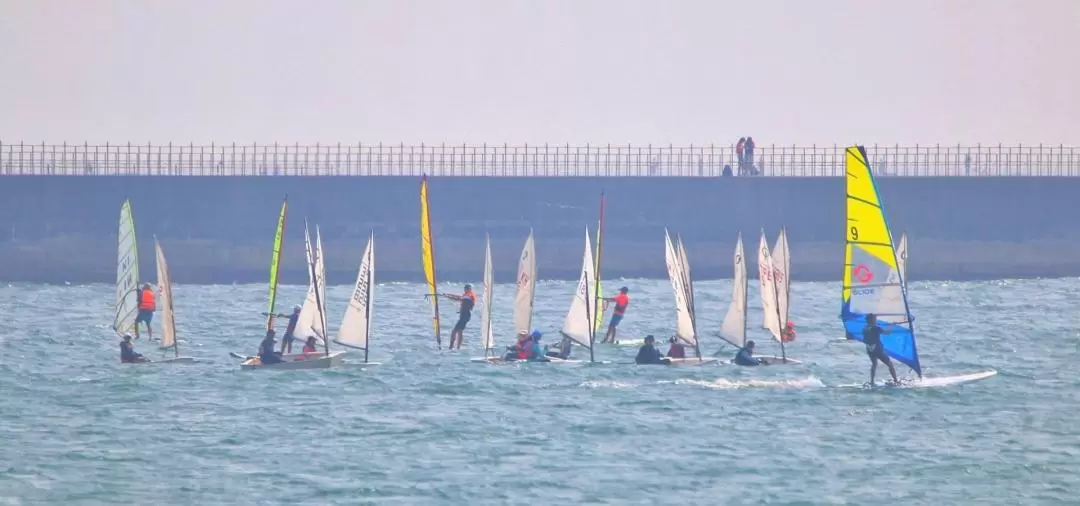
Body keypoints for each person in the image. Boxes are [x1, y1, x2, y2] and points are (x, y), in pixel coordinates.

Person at [863, 313, 900, 386]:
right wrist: (893, 325)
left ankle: (872, 381)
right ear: (872, 320)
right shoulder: (875, 328)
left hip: (869, 349)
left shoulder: (865, 329)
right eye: (874, 319)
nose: (875, 320)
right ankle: (896, 380)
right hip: (877, 350)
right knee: (890, 364)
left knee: (874, 364)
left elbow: (865, 340)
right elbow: (887, 332)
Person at [441, 284, 476, 350]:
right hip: (464, 315)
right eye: (465, 288)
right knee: (460, 331)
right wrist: (448, 294)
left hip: (465, 315)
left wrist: (448, 296)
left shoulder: (469, 295)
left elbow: (458, 298)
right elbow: (459, 297)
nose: (465, 289)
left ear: (470, 289)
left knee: (454, 331)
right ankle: (458, 347)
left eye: (467, 288)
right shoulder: (466, 295)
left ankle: (451, 347)